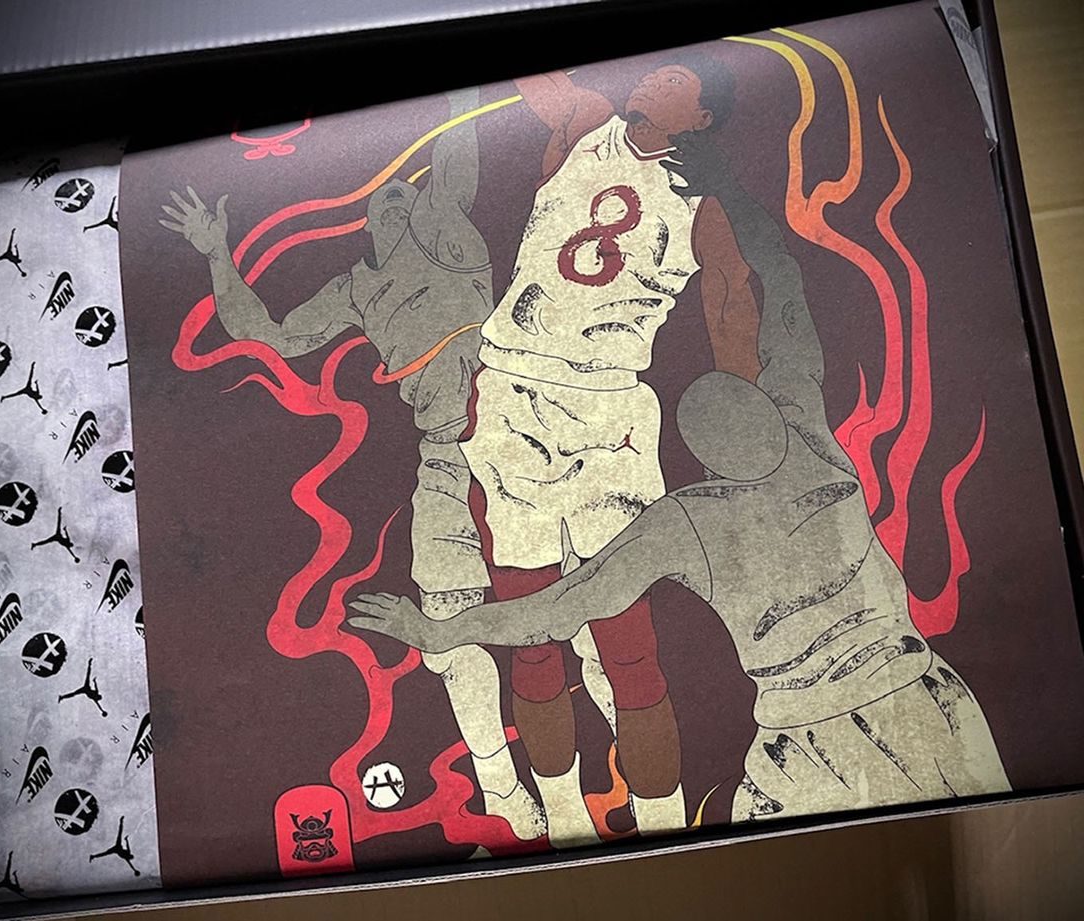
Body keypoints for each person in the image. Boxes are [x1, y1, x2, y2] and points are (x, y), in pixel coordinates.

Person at [348, 145, 1012, 822]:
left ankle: (607, 814)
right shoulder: (808, 433)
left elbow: (552, 611)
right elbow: (784, 291)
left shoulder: (691, 521)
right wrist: (731, 193)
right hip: (911, 695)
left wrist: (441, 632)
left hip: (810, 733)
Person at [160, 88, 545, 840]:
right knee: (448, 621)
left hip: (522, 431)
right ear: (367, 226)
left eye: (406, 195)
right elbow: (265, 333)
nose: (396, 202)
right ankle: (502, 787)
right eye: (383, 203)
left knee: (581, 597)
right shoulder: (356, 290)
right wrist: (215, 254)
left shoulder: (448, 229)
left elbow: (457, 143)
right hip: (444, 455)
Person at [453, 56, 759, 846]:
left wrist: (743, 425)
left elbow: (731, 300)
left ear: (701, 118)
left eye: (676, 81)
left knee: (630, 651)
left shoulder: (705, 203)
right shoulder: (586, 121)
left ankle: (665, 833)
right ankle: (562, 826)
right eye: (658, 70)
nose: (654, 79)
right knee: (530, 641)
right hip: (516, 390)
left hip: (610, 409)